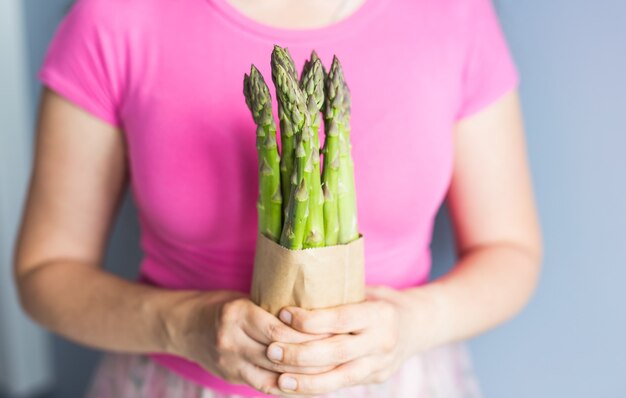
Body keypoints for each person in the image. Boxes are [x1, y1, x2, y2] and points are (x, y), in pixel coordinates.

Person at [14, 0, 542, 396]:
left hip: (402, 380)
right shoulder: (115, 15)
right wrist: (184, 324)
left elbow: (510, 251)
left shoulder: (452, 14)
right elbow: (46, 274)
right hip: (173, 382)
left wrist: (413, 323)